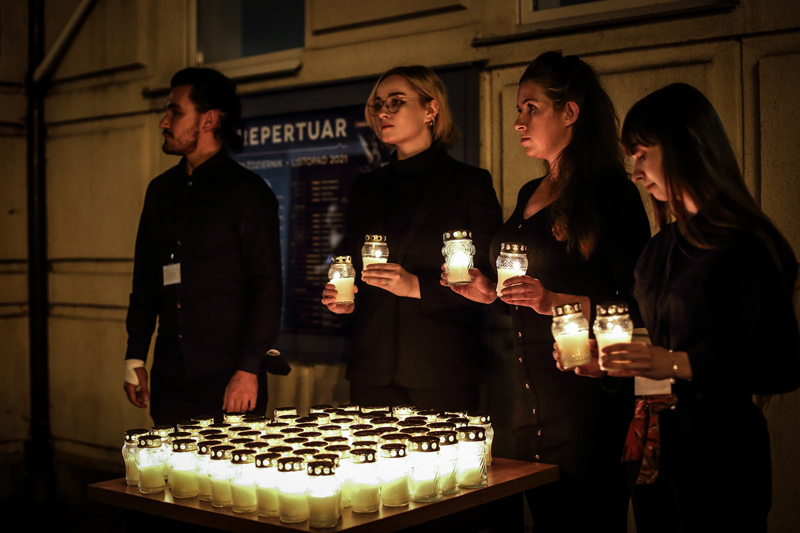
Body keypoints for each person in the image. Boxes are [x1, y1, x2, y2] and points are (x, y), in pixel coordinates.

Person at [445, 51, 651, 531]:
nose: (519, 121)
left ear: (570, 113)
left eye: (530, 108)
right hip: (525, 393)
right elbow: (521, 286)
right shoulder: (529, 193)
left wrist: (550, 300)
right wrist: (489, 291)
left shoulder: (610, 193)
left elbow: (633, 303)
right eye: (518, 109)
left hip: (582, 394)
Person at [592, 83, 800, 532]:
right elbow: (649, 344)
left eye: (643, 153)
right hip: (654, 451)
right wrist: (612, 363)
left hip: (720, 457)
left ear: (686, 145)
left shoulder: (746, 244)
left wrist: (674, 363)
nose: (635, 171)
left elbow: (782, 365)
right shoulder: (659, 248)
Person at [321, 65, 503, 412]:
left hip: (441, 367)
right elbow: (347, 261)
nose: (383, 112)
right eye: (377, 105)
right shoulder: (367, 187)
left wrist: (416, 286)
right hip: (372, 367)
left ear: (431, 110)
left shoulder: (467, 183)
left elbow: (488, 280)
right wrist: (343, 297)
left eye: (396, 101)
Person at [123, 68, 288, 426]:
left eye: (175, 112)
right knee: (169, 475)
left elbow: (267, 285)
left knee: (229, 480)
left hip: (230, 375)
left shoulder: (247, 192)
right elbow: (146, 279)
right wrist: (135, 355)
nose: (163, 122)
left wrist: (249, 369)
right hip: (170, 373)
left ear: (209, 120)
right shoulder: (160, 190)